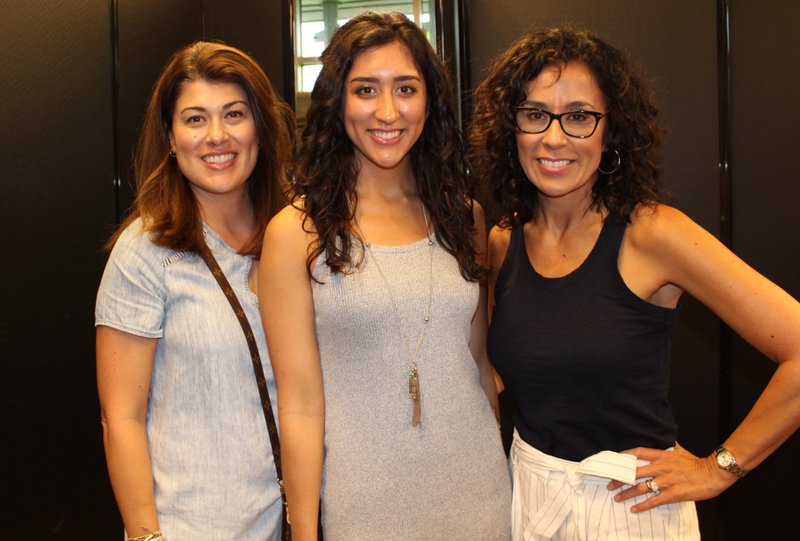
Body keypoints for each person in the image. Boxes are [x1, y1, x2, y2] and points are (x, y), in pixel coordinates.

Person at [468, 27, 800, 540]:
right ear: (511, 130)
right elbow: (502, 377)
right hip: (529, 497)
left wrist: (719, 469)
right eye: (535, 115)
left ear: (611, 131)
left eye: (579, 116)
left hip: (631, 509)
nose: (554, 138)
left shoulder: (653, 233)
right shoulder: (502, 241)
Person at [259, 11, 512, 541]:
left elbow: (479, 367)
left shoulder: (463, 217)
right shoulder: (297, 231)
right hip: (364, 509)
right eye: (366, 89)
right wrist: (303, 531)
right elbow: (301, 405)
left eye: (406, 88)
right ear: (337, 103)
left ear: (430, 101)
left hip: (480, 495)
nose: (388, 110)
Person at [95, 41, 294, 541]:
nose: (217, 137)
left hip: (295, 523)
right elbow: (120, 419)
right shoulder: (145, 253)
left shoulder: (297, 239)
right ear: (169, 136)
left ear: (260, 128)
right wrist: (146, 537)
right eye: (195, 119)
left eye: (234, 114)